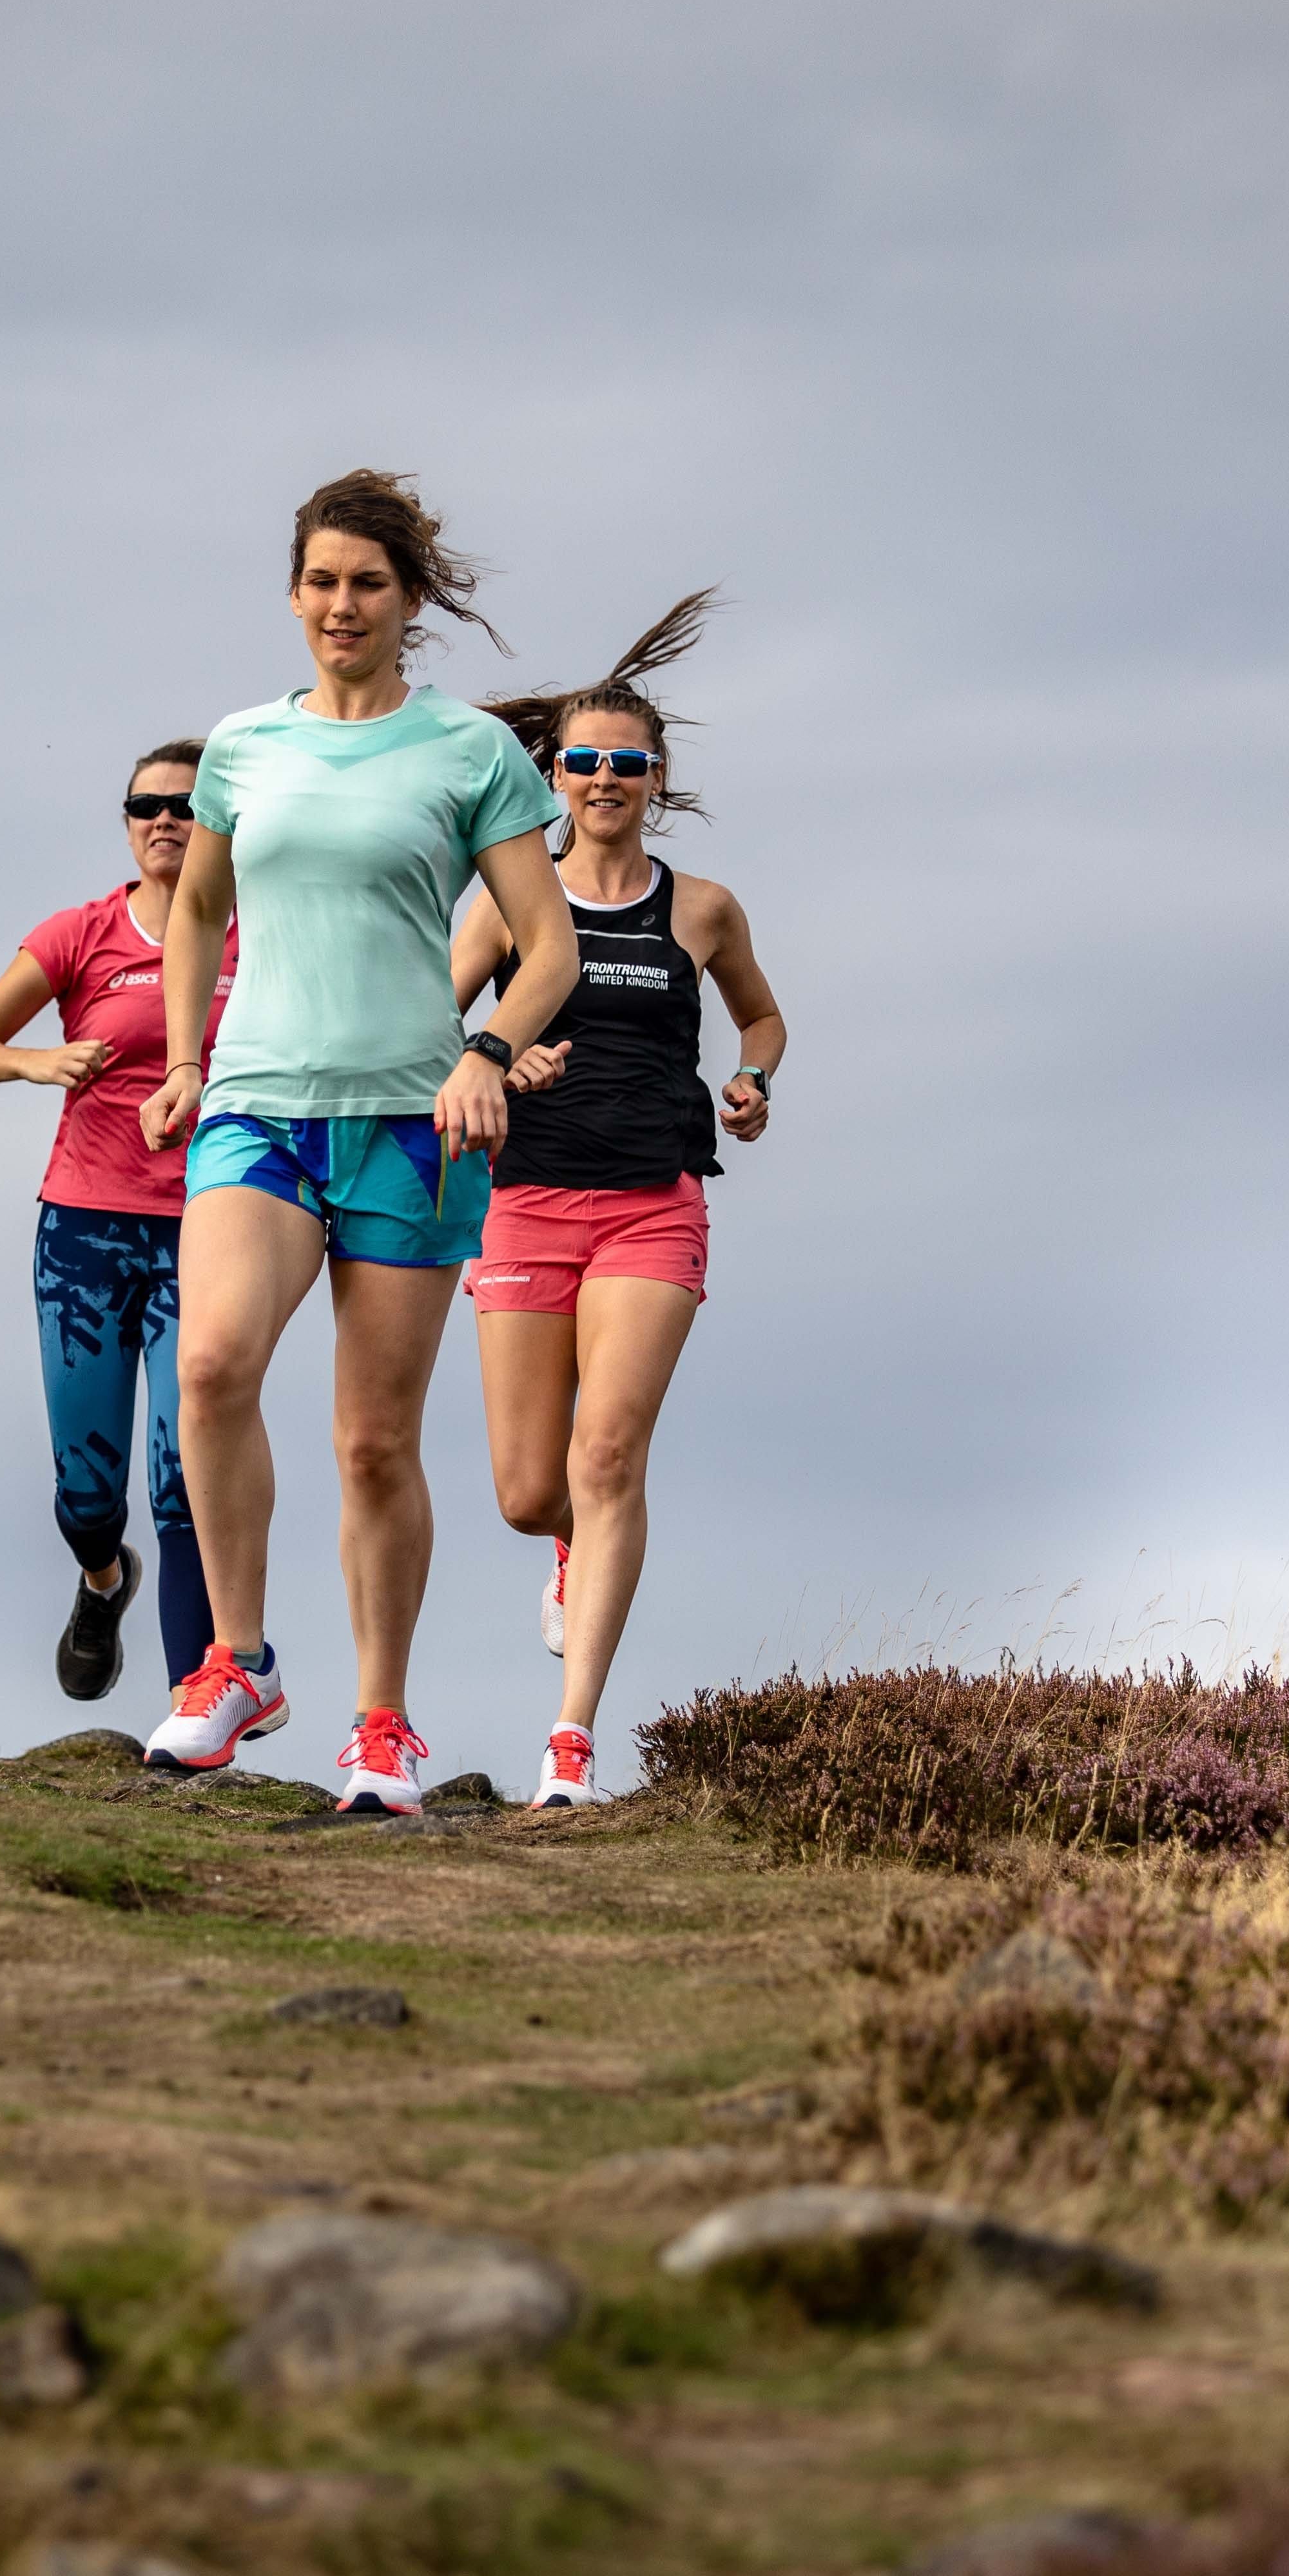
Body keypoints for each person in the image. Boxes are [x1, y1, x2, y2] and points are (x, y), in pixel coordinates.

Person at [136, 470, 580, 1812]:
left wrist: (486, 1052)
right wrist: (184, 1062)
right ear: (294, 592)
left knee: (373, 1440)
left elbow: (546, 944)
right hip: (259, 1106)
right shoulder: (240, 748)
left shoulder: (468, 754)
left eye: (368, 584)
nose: (342, 605)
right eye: (322, 581)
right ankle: (236, 1661)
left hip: (409, 1123)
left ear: (409, 600)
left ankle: (380, 1725)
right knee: (210, 1366)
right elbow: (197, 911)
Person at [456, 595, 788, 1804]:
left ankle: (572, 1737)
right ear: (554, 775)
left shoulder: (699, 908)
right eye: (584, 762)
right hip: (528, 1200)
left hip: (654, 1202)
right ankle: (562, 1553)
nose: (603, 779)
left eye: (626, 764)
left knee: (610, 1453)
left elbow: (762, 1011)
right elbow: (434, 1019)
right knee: (530, 1491)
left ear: (657, 778)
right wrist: (497, 1052)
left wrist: (752, 1075)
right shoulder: (508, 905)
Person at [0, 739, 238, 1702]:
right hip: (85, 1233)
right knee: (88, 1491)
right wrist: (38, 1062)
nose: (165, 821)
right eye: (146, 805)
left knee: (181, 1473)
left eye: (186, 808)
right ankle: (103, 1581)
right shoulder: (81, 933)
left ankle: (197, 1704)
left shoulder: (259, 936)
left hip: (214, 1228)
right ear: (125, 820)